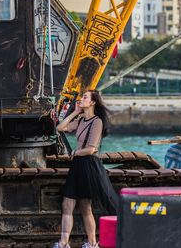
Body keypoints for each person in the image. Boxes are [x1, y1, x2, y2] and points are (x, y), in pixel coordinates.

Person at [53, 90, 118, 248]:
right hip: (77, 165)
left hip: (89, 165)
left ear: (93, 102)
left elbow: (91, 149)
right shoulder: (81, 119)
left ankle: (92, 243)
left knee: (85, 206)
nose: (81, 99)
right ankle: (63, 243)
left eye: (85, 97)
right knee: (67, 204)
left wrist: (76, 152)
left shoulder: (97, 122)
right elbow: (61, 127)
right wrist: (75, 112)